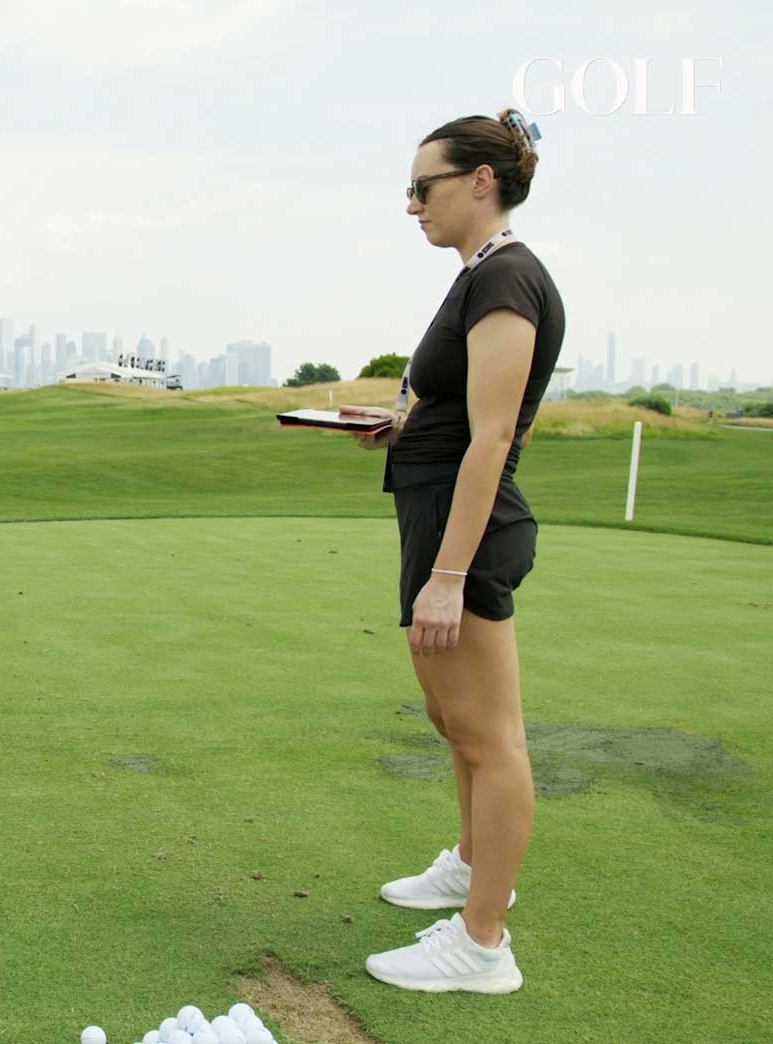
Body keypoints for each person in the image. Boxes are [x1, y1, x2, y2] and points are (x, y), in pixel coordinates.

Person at [342, 108, 563, 994]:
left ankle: (482, 944)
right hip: (434, 513)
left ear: (479, 180)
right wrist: (400, 425)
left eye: (421, 186)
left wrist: (446, 576)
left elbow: (496, 433)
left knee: (491, 739)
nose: (411, 205)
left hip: (463, 536)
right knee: (453, 724)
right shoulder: (478, 275)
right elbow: (455, 413)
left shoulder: (507, 278)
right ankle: (472, 868)